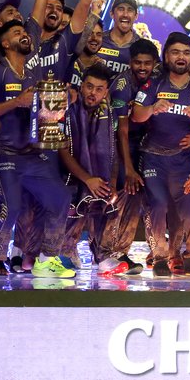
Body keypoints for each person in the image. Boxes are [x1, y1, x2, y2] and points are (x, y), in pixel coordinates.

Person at [0, 17, 73, 279]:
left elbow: (44, 118)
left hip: (31, 154)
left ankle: (46, 259)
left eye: (24, 31)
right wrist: (17, 102)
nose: (24, 34)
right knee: (9, 208)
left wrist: (57, 107)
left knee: (60, 197)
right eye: (16, 32)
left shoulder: (34, 74)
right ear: (4, 42)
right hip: (4, 153)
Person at [132, 32, 190, 276]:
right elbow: (136, 116)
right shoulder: (154, 84)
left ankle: (189, 254)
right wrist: (151, 108)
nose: (181, 57)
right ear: (166, 56)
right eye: (176, 52)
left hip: (182, 159)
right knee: (157, 205)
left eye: (186, 53)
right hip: (153, 157)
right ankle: (159, 256)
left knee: (189, 208)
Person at [57, 64, 121, 275]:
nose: (93, 93)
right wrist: (88, 180)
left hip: (95, 176)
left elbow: (111, 152)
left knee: (107, 196)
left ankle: (102, 256)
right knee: (76, 196)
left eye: (99, 89)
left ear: (106, 92)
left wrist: (110, 183)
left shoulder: (108, 112)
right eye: (89, 87)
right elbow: (63, 152)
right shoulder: (69, 108)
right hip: (66, 174)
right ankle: (64, 252)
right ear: (81, 86)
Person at [105, 39, 162, 275]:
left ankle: (122, 251)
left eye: (147, 63)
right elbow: (121, 130)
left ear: (155, 64)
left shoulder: (158, 81)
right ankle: (107, 253)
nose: (142, 67)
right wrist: (127, 168)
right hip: (116, 144)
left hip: (144, 145)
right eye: (137, 62)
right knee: (118, 196)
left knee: (138, 197)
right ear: (130, 63)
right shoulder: (122, 85)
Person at [98, 0, 141, 75]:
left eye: (130, 10)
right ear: (112, 14)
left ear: (136, 16)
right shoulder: (98, 40)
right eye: (121, 9)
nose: (125, 14)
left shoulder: (142, 46)